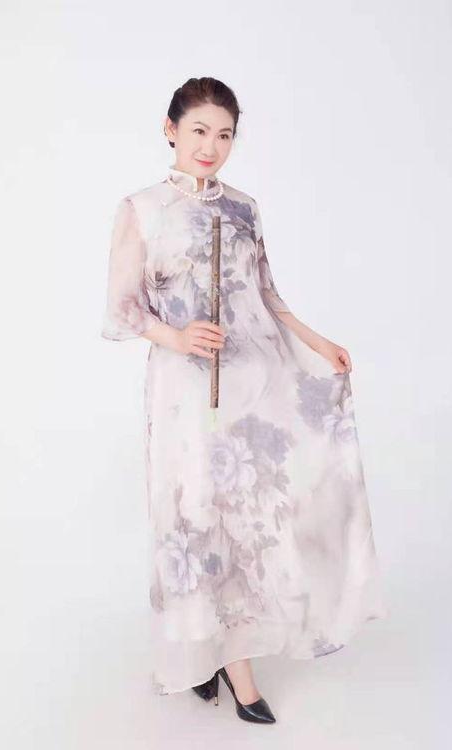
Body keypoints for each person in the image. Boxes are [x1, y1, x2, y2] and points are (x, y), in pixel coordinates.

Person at [101, 76, 388, 724]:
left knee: (247, 518)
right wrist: (177, 336)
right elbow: (123, 310)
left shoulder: (244, 208)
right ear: (171, 130)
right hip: (182, 391)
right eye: (199, 130)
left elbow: (267, 294)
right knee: (193, 516)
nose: (211, 146)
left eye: (225, 134)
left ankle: (235, 661)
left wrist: (318, 342)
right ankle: (204, 657)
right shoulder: (142, 209)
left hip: (252, 390)